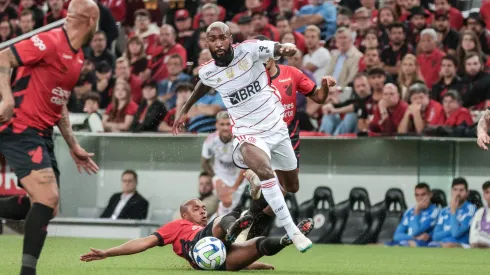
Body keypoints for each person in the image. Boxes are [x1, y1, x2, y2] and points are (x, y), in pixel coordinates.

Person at [172, 22, 323, 253]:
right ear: (207, 42)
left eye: (222, 38)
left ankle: (256, 180)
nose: (219, 43)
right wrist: (184, 109)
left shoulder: (249, 50)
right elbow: (203, 84)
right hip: (247, 133)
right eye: (213, 39)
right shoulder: (208, 70)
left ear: (230, 38)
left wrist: (286, 48)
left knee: (291, 186)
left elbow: (274, 48)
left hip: (276, 128)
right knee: (266, 171)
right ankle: (293, 231)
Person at [0, 0, 100, 274]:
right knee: (47, 197)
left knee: (46, 206)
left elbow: (60, 104)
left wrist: (74, 145)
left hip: (43, 132)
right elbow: (3, 57)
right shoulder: (50, 41)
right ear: (92, 21)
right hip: (20, 126)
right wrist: (7, 99)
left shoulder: (78, 57)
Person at [243, 35, 334, 239]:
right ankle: (251, 226)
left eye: (265, 52)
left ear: (274, 53)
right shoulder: (249, 81)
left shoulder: (291, 74)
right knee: (269, 180)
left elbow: (319, 97)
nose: (262, 58)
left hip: (288, 136)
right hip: (262, 136)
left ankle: (252, 219)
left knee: (290, 187)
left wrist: (326, 85)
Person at [81, 198, 314, 271]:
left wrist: (254, 264)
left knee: (260, 243)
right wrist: (108, 253)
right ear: (184, 214)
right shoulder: (177, 226)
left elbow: (218, 253)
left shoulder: (206, 225)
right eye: (196, 208)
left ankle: (287, 239)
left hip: (217, 260)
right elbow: (144, 242)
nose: (202, 211)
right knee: (224, 219)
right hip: (199, 247)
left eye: (204, 208)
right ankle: (234, 229)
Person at [201, 111, 246, 217]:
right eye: (222, 124)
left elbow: (246, 166)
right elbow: (204, 163)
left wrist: (235, 186)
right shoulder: (210, 140)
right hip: (220, 174)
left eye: (228, 124)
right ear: (216, 125)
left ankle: (215, 226)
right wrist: (215, 178)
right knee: (226, 202)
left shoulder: (240, 139)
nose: (225, 128)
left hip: (238, 175)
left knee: (229, 206)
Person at [429, 178, 476, 248]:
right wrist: (455, 228)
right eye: (455, 190)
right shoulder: (444, 211)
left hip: (460, 245)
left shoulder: (471, 209)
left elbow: (456, 234)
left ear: (467, 192)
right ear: (451, 191)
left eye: (461, 190)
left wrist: (453, 211)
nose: (458, 193)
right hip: (443, 245)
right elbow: (435, 236)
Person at [469, 181, 490, 248]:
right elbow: (473, 235)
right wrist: (475, 243)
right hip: (479, 249)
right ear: (483, 195)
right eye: (487, 192)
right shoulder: (480, 212)